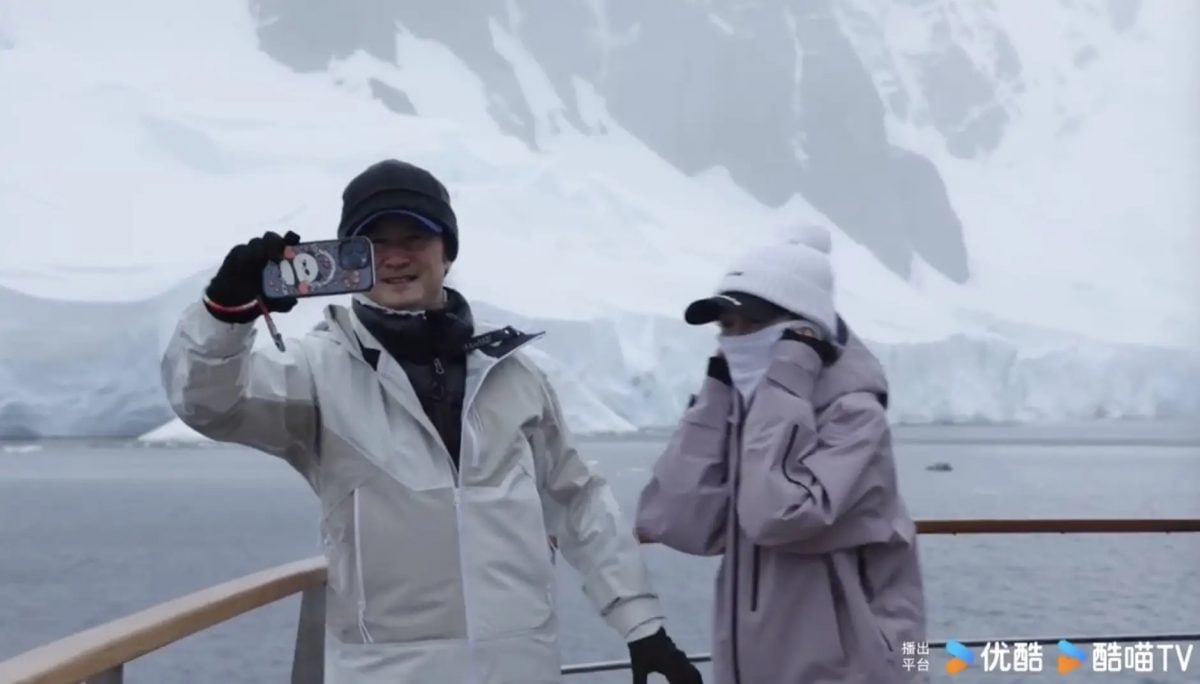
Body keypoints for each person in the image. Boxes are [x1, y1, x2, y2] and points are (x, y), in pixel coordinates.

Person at [160, 159, 703, 684]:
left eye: (415, 238)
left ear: (447, 251)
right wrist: (224, 315)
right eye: (374, 243)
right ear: (348, 259)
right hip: (387, 671)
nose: (396, 257)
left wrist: (642, 626)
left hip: (519, 667)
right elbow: (210, 404)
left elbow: (577, 500)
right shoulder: (317, 374)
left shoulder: (512, 372)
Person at [633, 224, 927, 683]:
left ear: (804, 331)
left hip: (857, 671)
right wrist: (716, 395)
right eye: (726, 327)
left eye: (751, 323)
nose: (735, 340)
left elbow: (778, 514)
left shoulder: (855, 415)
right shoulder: (752, 414)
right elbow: (676, 519)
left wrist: (786, 377)